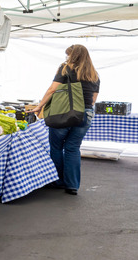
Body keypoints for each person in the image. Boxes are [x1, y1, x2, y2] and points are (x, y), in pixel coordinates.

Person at [29, 45, 100, 195]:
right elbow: (93, 100)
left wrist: (39, 107)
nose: (67, 58)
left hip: (64, 114)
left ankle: (58, 181)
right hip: (85, 114)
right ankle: (72, 185)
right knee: (73, 148)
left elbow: (52, 89)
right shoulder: (94, 74)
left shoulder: (65, 68)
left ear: (72, 55)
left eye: (68, 55)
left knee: (56, 147)